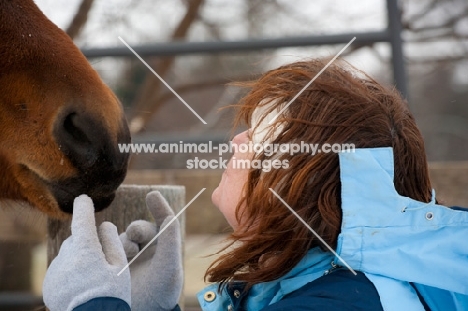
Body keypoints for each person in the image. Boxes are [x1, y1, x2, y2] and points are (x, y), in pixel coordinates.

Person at [43, 58, 468, 311]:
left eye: (263, 135)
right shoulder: (340, 288)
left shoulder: (343, 304)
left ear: (310, 180)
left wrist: (96, 305)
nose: (237, 141)